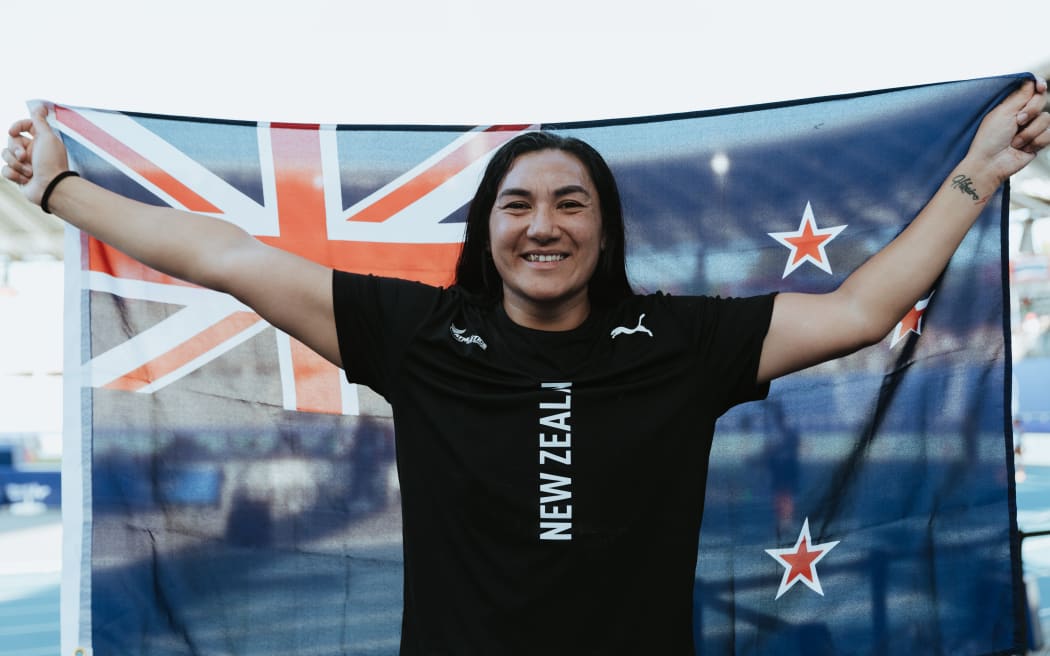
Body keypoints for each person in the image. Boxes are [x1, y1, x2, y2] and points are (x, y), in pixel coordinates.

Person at [4, 78, 1049, 654]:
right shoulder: (416, 333)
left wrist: (978, 170)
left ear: (606, 229)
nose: (542, 224)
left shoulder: (685, 341)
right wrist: (59, 193)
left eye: (570, 201)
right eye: (517, 202)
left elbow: (865, 307)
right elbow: (230, 257)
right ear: (488, 230)